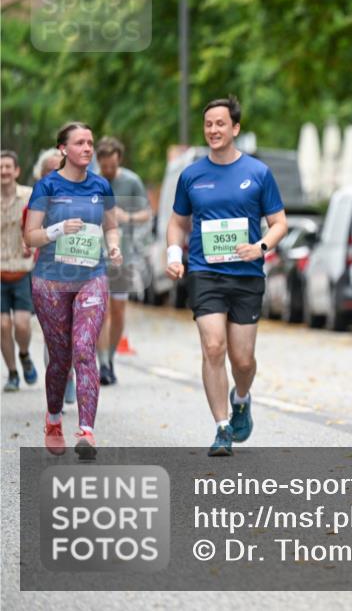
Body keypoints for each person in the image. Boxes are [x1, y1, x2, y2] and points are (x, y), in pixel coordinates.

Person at [166, 95, 287, 456]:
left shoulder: (258, 173)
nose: (213, 130)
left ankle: (242, 397)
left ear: (235, 128)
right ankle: (221, 427)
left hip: (247, 275)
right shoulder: (192, 175)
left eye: (220, 123)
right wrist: (175, 255)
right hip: (205, 273)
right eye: (208, 124)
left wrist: (261, 247)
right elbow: (177, 222)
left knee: (243, 361)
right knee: (213, 346)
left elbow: (279, 223)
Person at [24, 122, 123, 459]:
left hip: (91, 277)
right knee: (61, 357)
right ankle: (54, 420)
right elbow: (30, 236)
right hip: (50, 280)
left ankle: (86, 431)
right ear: (63, 149)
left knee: (83, 348)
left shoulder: (101, 185)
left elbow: (111, 227)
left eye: (90, 143)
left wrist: (113, 247)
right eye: (80, 142)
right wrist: (57, 229)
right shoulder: (47, 186)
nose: (87, 148)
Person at [95, 136, 152, 385]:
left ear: (119, 159)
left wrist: (126, 216)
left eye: (112, 166)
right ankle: (104, 363)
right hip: (95, 254)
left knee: (118, 311)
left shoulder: (131, 181)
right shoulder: (91, 181)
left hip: (123, 256)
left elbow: (146, 213)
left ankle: (111, 356)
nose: (107, 171)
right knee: (103, 310)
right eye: (104, 166)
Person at [34, 149, 77, 404]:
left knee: (74, 330)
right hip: (46, 273)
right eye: (47, 171)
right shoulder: (35, 200)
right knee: (53, 333)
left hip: (77, 271)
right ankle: (59, 379)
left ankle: (69, 374)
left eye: (56, 169)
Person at [1, 149, 38, 392]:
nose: (3, 171)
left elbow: (39, 225)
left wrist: (31, 243)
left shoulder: (29, 196)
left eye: (7, 167)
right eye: (0, 168)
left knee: (22, 325)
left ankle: (24, 355)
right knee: (3, 325)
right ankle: (12, 373)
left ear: (16, 171)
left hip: (23, 271)